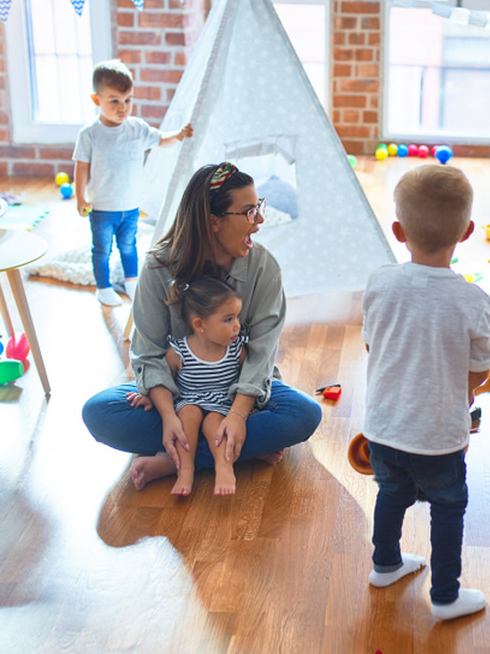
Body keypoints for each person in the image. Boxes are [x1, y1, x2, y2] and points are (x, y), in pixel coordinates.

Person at [81, 162, 322, 491]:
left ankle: (176, 459)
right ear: (213, 222)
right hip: (182, 398)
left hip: (240, 394)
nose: (260, 221)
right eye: (250, 212)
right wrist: (167, 414)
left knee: (304, 414)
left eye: (258, 207)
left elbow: (262, 354)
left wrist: (237, 415)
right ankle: (231, 452)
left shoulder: (262, 266)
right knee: (98, 413)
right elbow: (148, 353)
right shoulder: (158, 268)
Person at [361, 164, 490, 621]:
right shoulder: (471, 299)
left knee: (391, 493)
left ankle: (385, 564)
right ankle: (445, 595)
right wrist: (466, 393)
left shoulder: (379, 283)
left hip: (382, 427)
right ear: (468, 231)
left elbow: (371, 343)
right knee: (448, 505)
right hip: (437, 436)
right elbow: (479, 368)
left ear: (398, 231)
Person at [73, 59, 193, 307]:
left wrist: (179, 136)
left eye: (127, 100)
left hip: (129, 206)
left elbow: (160, 140)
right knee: (102, 250)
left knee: (129, 246)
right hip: (102, 207)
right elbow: (81, 167)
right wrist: (80, 197)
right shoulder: (89, 134)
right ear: (97, 100)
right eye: (114, 101)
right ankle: (103, 287)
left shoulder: (136, 128)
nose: (123, 107)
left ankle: (131, 281)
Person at [131, 277, 247, 497]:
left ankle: (224, 467)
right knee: (188, 413)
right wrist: (148, 396)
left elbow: (253, 378)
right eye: (228, 319)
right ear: (200, 325)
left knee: (214, 421)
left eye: (237, 317)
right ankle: (185, 470)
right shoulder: (179, 351)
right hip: (188, 400)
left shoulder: (237, 350)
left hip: (222, 405)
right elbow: (163, 380)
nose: (237, 326)